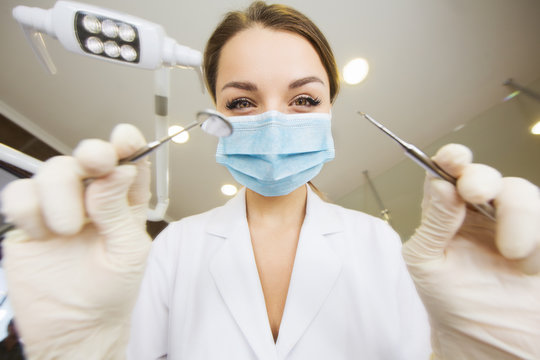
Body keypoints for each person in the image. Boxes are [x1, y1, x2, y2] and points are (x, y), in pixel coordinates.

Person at [1, 1, 539, 359]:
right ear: (214, 116)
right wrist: (81, 348)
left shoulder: (379, 244)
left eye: (304, 99)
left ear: (331, 109)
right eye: (242, 101)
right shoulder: (176, 248)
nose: (276, 122)